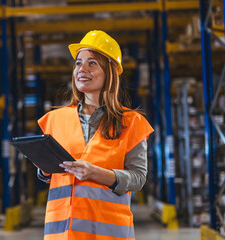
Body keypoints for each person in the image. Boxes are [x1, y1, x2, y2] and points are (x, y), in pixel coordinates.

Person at [37, 30, 154, 240]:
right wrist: (44, 169)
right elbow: (52, 175)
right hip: (62, 233)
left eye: (92, 63)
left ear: (109, 71)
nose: (82, 69)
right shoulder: (55, 120)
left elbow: (138, 178)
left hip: (107, 233)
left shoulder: (131, 123)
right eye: (78, 63)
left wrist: (96, 173)